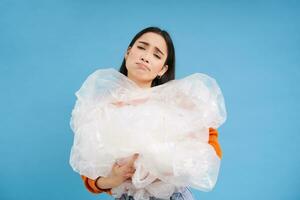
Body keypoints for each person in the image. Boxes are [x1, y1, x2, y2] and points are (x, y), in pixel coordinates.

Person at [78, 27, 223, 199]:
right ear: (128, 53)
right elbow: (89, 171)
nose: (145, 57)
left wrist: (172, 167)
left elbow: (209, 147)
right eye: (141, 47)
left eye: (157, 55)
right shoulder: (104, 107)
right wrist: (115, 178)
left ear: (162, 69)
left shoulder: (177, 102)